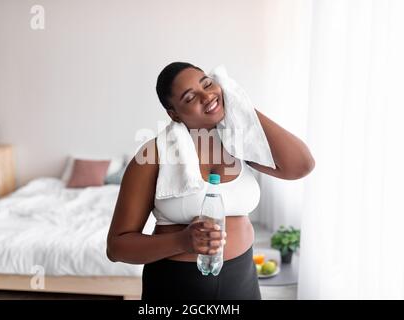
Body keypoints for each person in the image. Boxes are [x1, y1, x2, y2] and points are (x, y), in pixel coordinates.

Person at [106, 62, 315, 300]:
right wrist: (182, 241)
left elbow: (301, 165)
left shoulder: (239, 140)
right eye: (190, 97)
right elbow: (116, 247)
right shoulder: (153, 155)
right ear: (173, 113)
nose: (207, 96)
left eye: (207, 84)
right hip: (176, 286)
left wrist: (241, 107)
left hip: (242, 281)